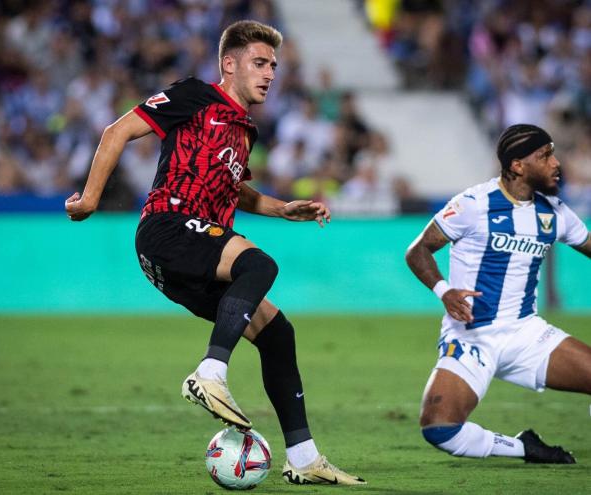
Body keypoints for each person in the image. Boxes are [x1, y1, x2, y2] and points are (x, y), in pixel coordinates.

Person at [65, 20, 364, 486]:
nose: (269, 74)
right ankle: (210, 372)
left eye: (273, 66)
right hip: (167, 228)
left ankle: (304, 458)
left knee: (278, 333)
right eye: (260, 63)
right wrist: (89, 199)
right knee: (259, 263)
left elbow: (235, 189)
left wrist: (282, 208)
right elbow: (115, 132)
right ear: (230, 64)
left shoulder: (245, 132)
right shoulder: (194, 96)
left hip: (193, 250)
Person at [405, 124, 591, 463]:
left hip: (526, 334)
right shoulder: (473, 204)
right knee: (439, 428)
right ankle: (525, 448)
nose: (556, 163)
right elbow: (418, 251)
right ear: (518, 165)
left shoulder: (555, 212)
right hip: (472, 337)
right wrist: (445, 291)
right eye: (545, 156)